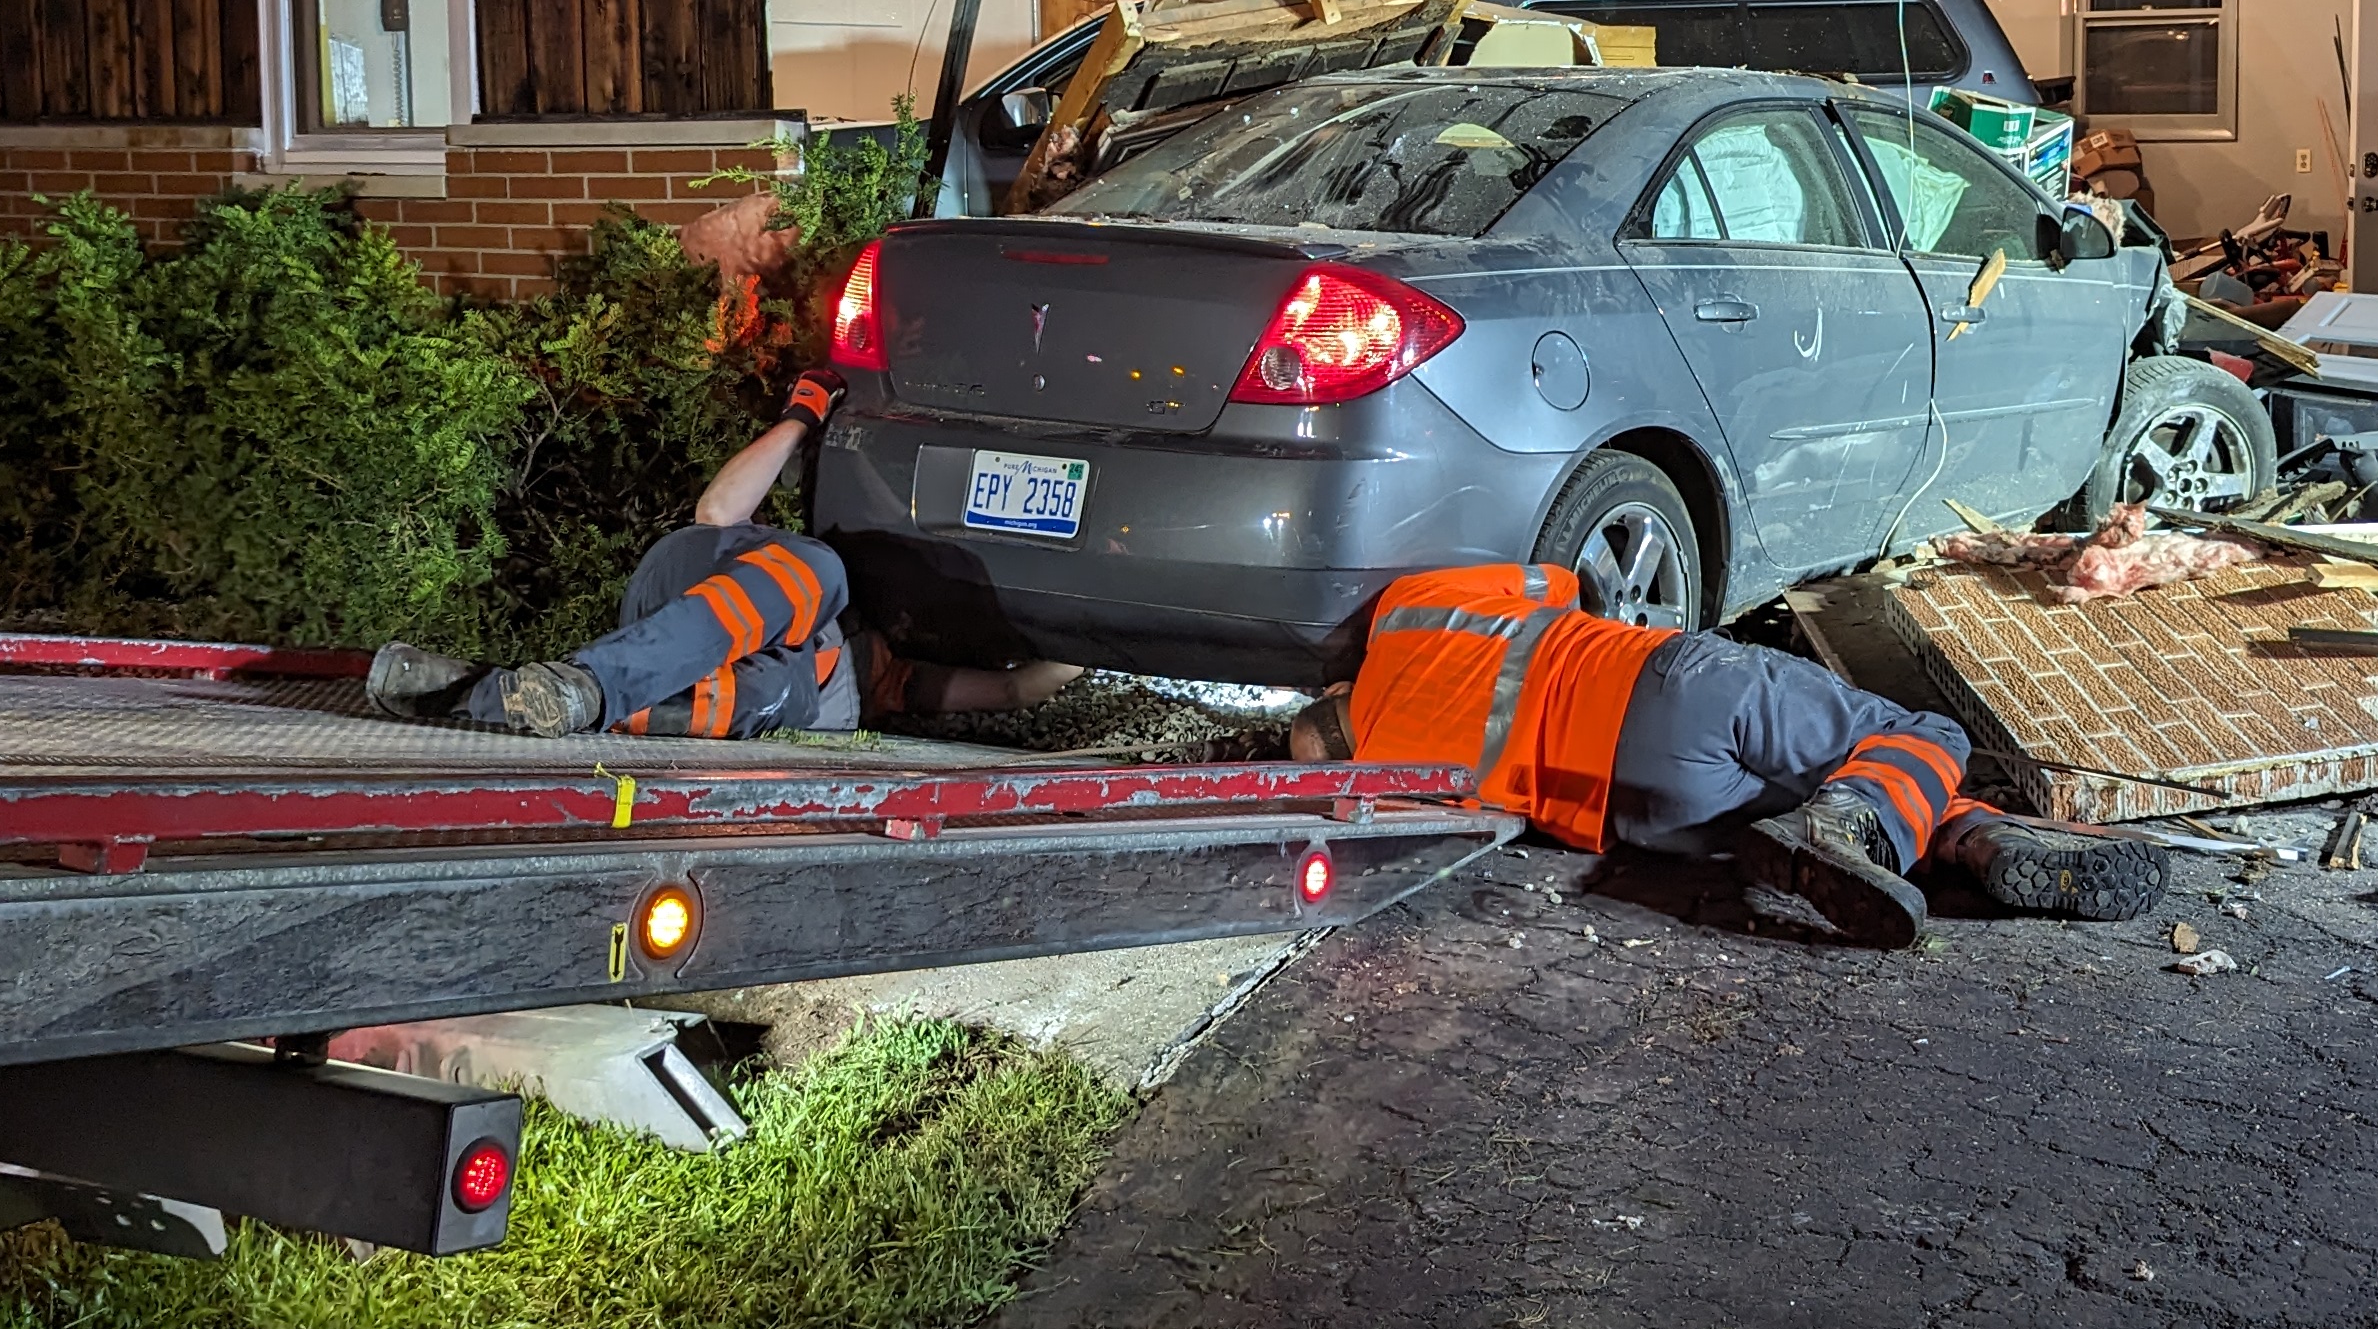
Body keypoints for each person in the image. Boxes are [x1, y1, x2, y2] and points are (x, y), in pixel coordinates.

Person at [1287, 562, 2163, 943]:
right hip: (1670, 687)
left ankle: (1978, 839)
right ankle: (1871, 824)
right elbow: (1555, 584)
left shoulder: (1384, 773)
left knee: (1849, 788)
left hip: (1634, 811)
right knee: (1924, 739)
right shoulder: (1412, 609)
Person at [367, 376, 1076, 740]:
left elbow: (1018, 690)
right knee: (814, 578)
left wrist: (1122, 627)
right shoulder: (838, 564)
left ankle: (480, 691)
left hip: (759, 683)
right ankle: (587, 687)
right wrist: (803, 415)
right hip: (697, 589)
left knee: (793, 693)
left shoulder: (896, 674)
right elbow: (716, 513)